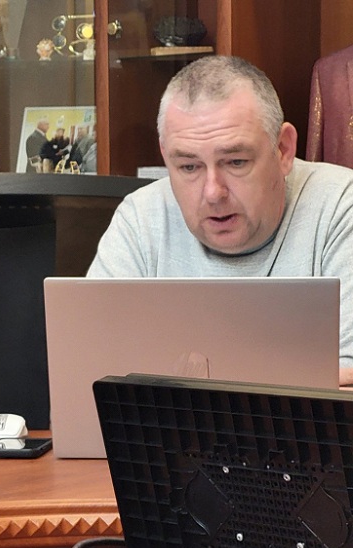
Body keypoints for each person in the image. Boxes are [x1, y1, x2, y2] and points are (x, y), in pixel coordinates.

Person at [87, 55, 353, 386]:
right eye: (189, 167)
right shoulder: (141, 218)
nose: (213, 192)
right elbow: (89, 376)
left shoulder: (342, 206)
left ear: (283, 150)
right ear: (166, 156)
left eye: (236, 162)